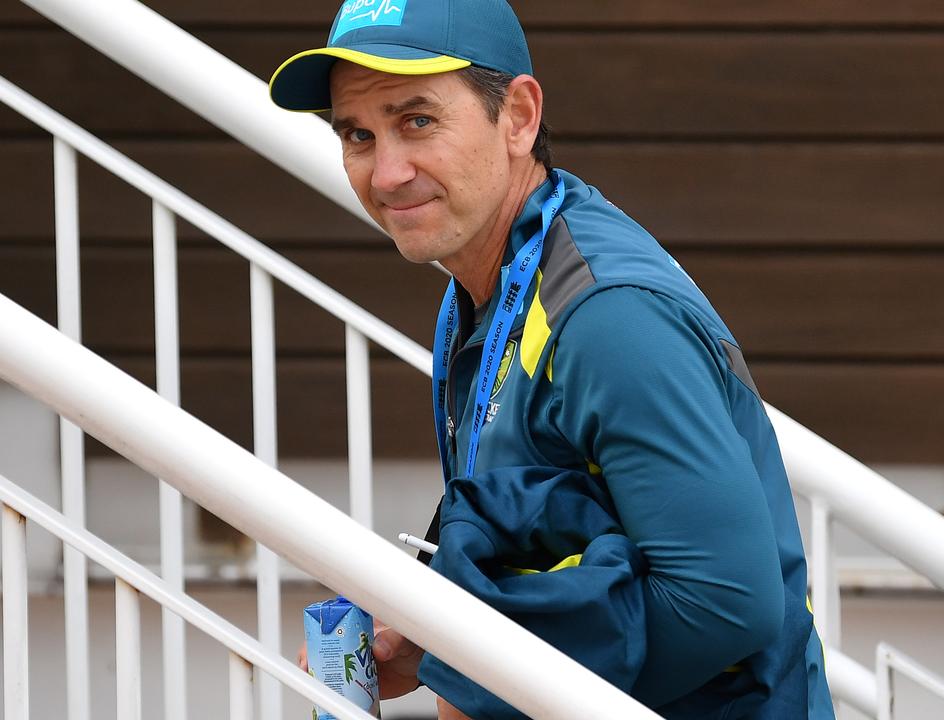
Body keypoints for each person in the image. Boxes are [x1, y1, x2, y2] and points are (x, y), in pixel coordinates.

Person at [269, 1, 836, 717]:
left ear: (518, 117)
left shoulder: (607, 315)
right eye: (358, 134)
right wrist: (438, 641)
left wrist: (477, 681)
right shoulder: (484, 279)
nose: (386, 174)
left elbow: (725, 603)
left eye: (417, 121)